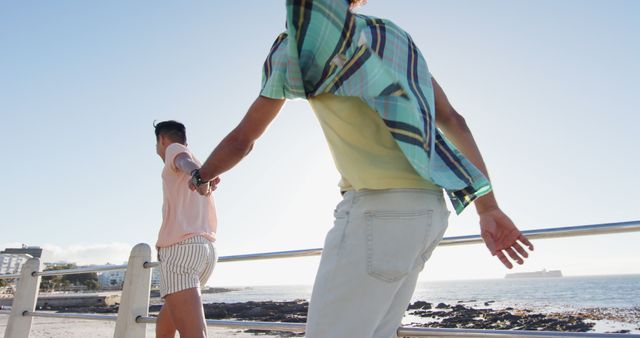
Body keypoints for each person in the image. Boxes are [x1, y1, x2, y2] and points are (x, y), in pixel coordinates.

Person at [192, 1, 534, 336]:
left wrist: (201, 177)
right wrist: (487, 206)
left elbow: (243, 140)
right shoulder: (394, 37)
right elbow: (453, 120)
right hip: (429, 211)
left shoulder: (298, 48)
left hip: (377, 213)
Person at [153, 120, 219, 338]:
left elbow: (183, 160)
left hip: (181, 250)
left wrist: (196, 175)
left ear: (162, 139)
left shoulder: (177, 152)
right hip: (205, 251)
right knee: (169, 314)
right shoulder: (202, 165)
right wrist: (200, 175)